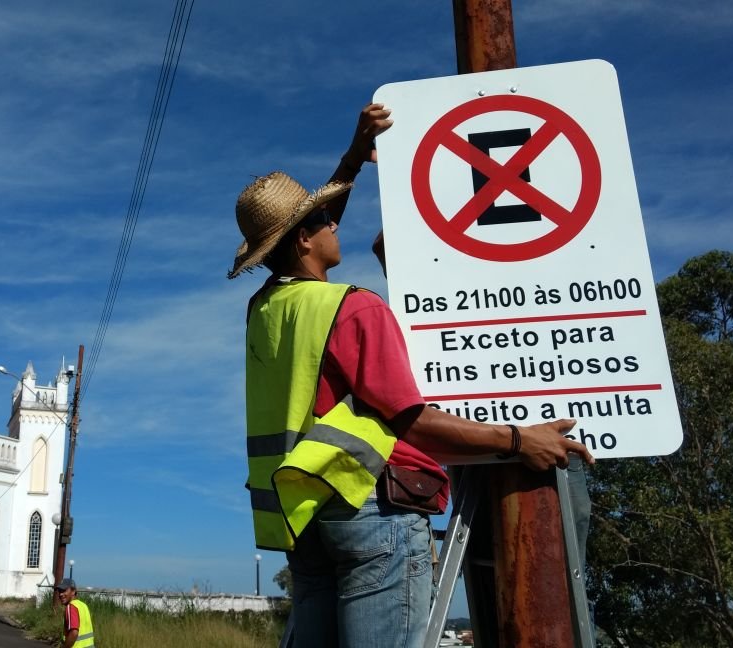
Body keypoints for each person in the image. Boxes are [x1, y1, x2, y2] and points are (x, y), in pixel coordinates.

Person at [229, 103, 594, 648]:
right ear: (304, 240)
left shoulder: (264, 310)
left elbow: (308, 238)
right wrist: (521, 440)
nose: (335, 223)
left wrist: (352, 160)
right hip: (375, 508)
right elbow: (413, 423)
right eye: (324, 220)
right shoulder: (354, 308)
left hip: (305, 516)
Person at [55, 578, 95, 648]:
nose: (61, 594)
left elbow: (74, 633)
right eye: (60, 591)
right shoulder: (83, 605)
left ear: (73, 591)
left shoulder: (71, 607)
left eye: (64, 590)